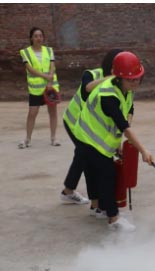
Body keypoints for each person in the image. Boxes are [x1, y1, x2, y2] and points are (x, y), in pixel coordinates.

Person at [74, 51, 154, 232]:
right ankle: (113, 218)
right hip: (89, 138)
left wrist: (120, 142)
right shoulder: (108, 96)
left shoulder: (125, 89)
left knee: (97, 173)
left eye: (137, 78)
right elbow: (124, 127)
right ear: (118, 77)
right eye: (130, 80)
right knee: (107, 176)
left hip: (96, 138)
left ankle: (98, 208)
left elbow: (129, 110)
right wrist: (143, 151)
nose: (135, 83)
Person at [60, 48, 123, 208]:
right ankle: (95, 202)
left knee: (82, 157)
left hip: (89, 126)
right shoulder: (92, 74)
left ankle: (70, 191)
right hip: (75, 122)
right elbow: (86, 88)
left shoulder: (121, 84)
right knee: (86, 158)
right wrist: (111, 77)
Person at [18, 27, 60, 148]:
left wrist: (50, 81)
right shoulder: (25, 52)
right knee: (32, 113)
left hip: (50, 87)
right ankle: (27, 139)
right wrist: (46, 77)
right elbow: (30, 69)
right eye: (36, 36)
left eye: (40, 36)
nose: (38, 38)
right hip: (35, 89)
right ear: (31, 38)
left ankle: (53, 138)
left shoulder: (49, 50)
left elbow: (52, 66)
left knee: (53, 112)